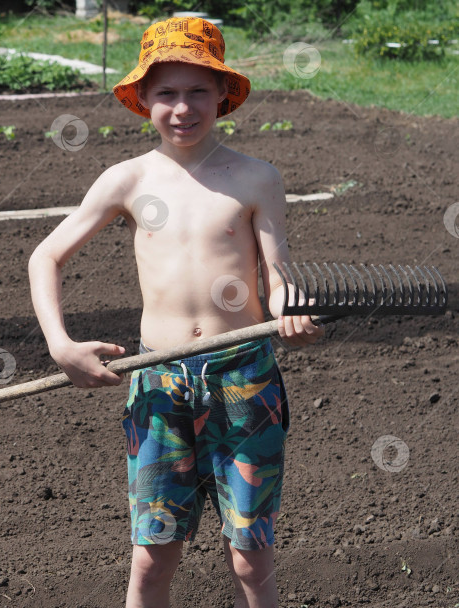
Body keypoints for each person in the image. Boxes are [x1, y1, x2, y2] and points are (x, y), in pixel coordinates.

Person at [28, 16, 324, 608]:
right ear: (142, 99)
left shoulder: (256, 178)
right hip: (159, 381)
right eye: (166, 93)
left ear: (222, 95)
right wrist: (62, 346)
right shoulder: (128, 179)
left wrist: (293, 315)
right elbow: (47, 256)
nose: (182, 108)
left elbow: (277, 273)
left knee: (250, 552)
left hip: (245, 378)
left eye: (196, 92)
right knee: (152, 556)